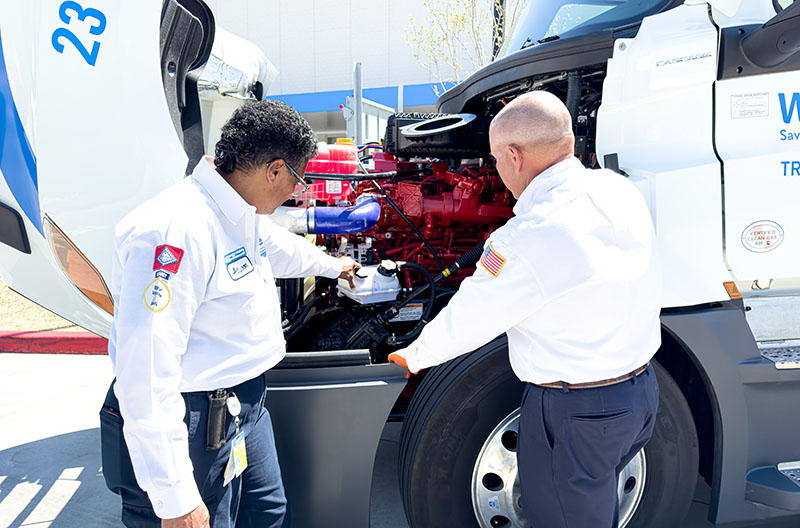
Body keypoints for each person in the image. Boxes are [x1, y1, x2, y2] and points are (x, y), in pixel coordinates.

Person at [388, 91, 662, 528]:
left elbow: (471, 318)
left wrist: (411, 356)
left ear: (514, 156)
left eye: (496, 159)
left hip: (577, 415)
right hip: (640, 395)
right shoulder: (619, 189)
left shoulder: (529, 235)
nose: (496, 170)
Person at [100, 100, 359, 528]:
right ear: (274, 170)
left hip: (246, 407)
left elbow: (274, 249)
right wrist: (176, 497)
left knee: (268, 514)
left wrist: (335, 267)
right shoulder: (175, 231)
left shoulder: (238, 210)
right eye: (297, 178)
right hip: (193, 419)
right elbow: (144, 373)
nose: (296, 191)